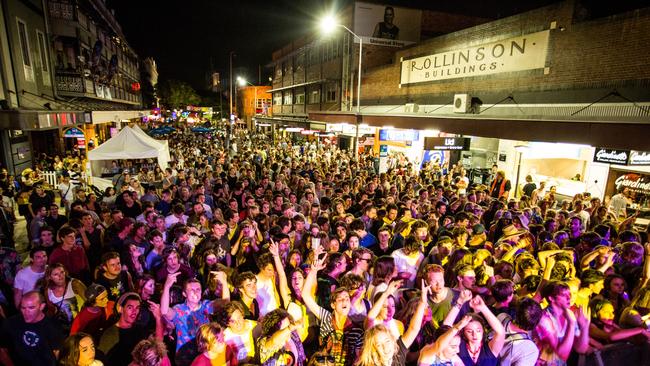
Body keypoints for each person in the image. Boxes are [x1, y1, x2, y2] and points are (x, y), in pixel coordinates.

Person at [303, 253, 364, 366]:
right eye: (340, 299)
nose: (345, 301)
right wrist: (313, 271)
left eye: (346, 298)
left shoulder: (357, 331)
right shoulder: (326, 316)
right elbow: (305, 295)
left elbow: (358, 360)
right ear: (333, 305)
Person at [160, 273, 229, 366]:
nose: (195, 292)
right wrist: (167, 286)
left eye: (198, 289)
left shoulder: (206, 306)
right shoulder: (179, 309)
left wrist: (224, 282)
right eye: (191, 290)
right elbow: (164, 311)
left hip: (205, 353)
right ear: (184, 293)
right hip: (185, 356)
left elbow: (226, 304)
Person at [0, 291, 66, 366]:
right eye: (23, 308)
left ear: (42, 306)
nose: (26, 312)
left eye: (31, 308)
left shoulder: (53, 325)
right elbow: (2, 350)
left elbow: (57, 353)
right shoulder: (10, 323)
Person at [97, 292, 163, 366]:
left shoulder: (139, 328)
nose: (134, 312)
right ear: (120, 309)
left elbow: (158, 345)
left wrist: (158, 318)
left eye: (137, 308)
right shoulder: (110, 335)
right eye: (130, 307)